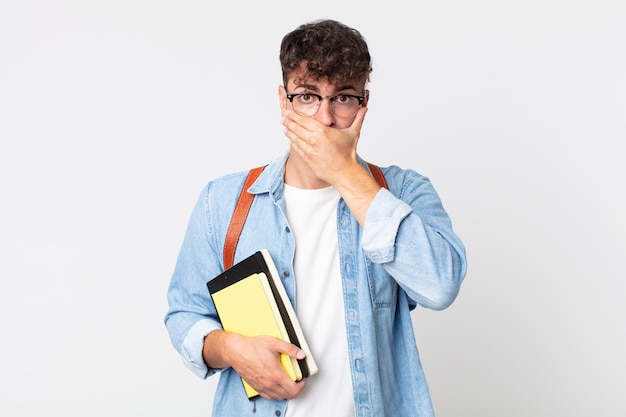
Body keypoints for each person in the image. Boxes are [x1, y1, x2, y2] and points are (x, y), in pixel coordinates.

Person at [164, 19, 467, 417]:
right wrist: (233, 349)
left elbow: (440, 285)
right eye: (307, 96)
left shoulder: (402, 192)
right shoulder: (222, 202)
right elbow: (183, 314)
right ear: (283, 100)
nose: (324, 119)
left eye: (342, 98)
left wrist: (344, 173)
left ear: (363, 104)